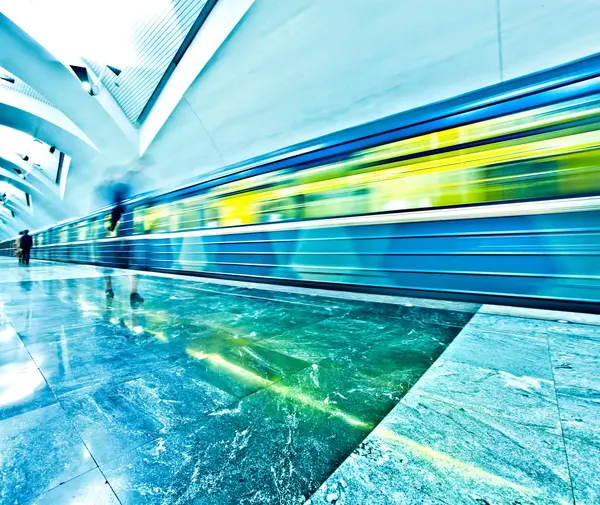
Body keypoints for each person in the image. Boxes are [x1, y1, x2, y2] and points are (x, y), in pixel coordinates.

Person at [104, 202, 144, 307]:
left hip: (126, 247)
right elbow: (111, 229)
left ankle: (134, 293)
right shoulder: (117, 210)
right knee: (108, 267)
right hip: (116, 247)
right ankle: (109, 289)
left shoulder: (129, 209)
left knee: (135, 268)